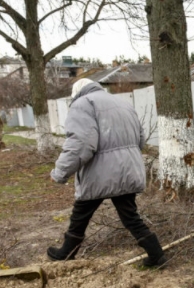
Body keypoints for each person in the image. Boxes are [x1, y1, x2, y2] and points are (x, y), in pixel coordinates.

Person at [47, 79, 166, 267]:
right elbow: (140, 140)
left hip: (100, 174)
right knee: (130, 216)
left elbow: (81, 143)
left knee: (80, 215)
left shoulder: (82, 104)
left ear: (76, 93)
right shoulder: (123, 103)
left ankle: (66, 253)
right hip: (127, 169)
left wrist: (60, 172)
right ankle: (156, 254)